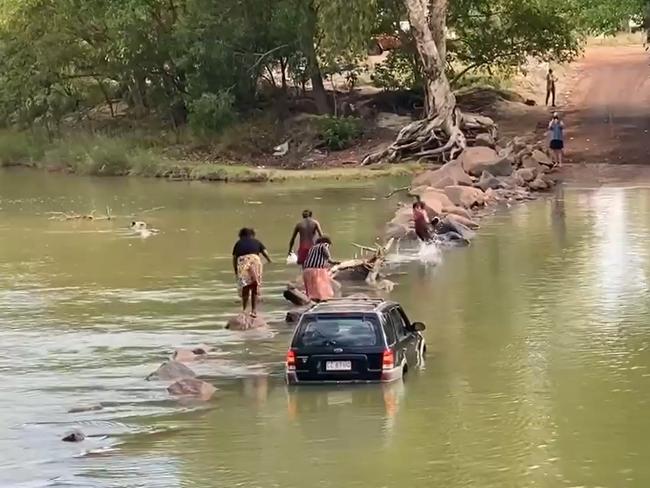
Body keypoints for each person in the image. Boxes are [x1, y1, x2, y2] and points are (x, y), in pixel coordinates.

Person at [232, 228, 271, 317]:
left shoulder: (238, 243)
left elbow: (234, 258)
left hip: (243, 262)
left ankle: (244, 310)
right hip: (255, 261)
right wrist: (269, 260)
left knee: (245, 286)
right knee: (255, 285)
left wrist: (235, 270)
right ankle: (253, 311)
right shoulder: (256, 241)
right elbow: (265, 252)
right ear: (252, 235)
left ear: (241, 235)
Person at [302, 236, 338, 302]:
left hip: (306, 270)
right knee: (321, 291)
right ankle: (322, 302)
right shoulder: (324, 245)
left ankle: (311, 301)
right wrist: (337, 262)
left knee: (311, 292)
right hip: (316, 271)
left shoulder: (312, 247)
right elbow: (329, 259)